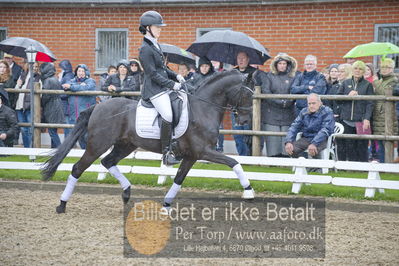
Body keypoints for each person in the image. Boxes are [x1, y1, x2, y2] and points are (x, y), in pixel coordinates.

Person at [138, 10, 185, 165]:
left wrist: (175, 76)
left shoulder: (155, 45)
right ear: (147, 28)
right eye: (157, 27)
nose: (160, 29)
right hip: (153, 90)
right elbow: (152, 74)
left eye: (160, 27)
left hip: (162, 87)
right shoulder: (145, 49)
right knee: (168, 115)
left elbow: (162, 69)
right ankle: (166, 153)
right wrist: (172, 85)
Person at [261, 53, 297, 157]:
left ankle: (286, 163)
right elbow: (266, 91)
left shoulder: (293, 77)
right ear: (276, 65)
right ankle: (273, 163)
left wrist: (288, 101)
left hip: (288, 114)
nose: (282, 65)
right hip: (271, 115)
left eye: (284, 63)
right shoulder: (269, 76)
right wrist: (280, 101)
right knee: (273, 145)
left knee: (286, 144)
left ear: (288, 64)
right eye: (280, 63)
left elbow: (295, 91)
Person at [337, 60, 374, 162]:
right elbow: (337, 100)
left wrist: (367, 118)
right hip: (346, 120)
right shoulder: (345, 83)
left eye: (360, 69)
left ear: (363, 71)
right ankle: (350, 168)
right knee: (349, 145)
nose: (358, 71)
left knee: (362, 146)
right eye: (355, 68)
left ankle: (362, 168)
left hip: (361, 121)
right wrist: (347, 96)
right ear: (352, 70)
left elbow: (370, 104)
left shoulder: (367, 85)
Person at [284, 93, 334, 159]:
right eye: (309, 104)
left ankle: (316, 168)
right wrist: (288, 141)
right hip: (307, 138)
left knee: (313, 151)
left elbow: (326, 130)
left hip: (322, 139)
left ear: (320, 103)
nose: (311, 106)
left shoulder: (327, 112)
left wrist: (314, 143)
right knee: (291, 149)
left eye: (313, 103)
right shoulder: (304, 112)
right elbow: (294, 127)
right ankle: (303, 166)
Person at [231, 51, 259, 156]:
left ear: (248, 59)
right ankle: (242, 157)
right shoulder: (233, 72)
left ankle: (249, 157)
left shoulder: (254, 72)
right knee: (237, 135)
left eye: (243, 58)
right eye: (239, 58)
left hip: (249, 110)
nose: (241, 60)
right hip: (236, 109)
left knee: (248, 134)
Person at [62, 64, 96, 149]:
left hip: (85, 113)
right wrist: (71, 87)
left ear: (86, 72)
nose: (80, 73)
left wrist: (72, 87)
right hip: (74, 114)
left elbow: (87, 88)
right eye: (79, 71)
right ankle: (82, 153)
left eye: (82, 71)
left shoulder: (90, 81)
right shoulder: (72, 81)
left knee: (86, 135)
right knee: (78, 135)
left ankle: (88, 151)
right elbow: (66, 86)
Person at [371, 58, 398, 163]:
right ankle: (383, 164)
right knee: (381, 141)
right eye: (383, 67)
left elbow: (384, 92)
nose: (384, 69)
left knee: (387, 141)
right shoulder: (382, 79)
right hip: (379, 113)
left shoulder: (393, 80)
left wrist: (375, 82)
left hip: (387, 114)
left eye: (387, 67)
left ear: (392, 69)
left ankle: (387, 164)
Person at [14, 62, 40, 148]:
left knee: (30, 129)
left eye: (36, 66)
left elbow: (40, 95)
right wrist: (18, 84)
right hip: (19, 106)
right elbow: (16, 89)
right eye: (33, 66)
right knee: (23, 129)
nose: (35, 68)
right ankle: (26, 148)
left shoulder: (38, 78)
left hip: (30, 107)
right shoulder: (22, 75)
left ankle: (31, 148)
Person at [40, 62, 65, 148]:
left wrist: (41, 103)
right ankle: (54, 148)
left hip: (51, 106)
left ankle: (59, 148)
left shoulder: (48, 80)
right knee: (53, 129)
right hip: (57, 105)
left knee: (51, 130)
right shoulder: (54, 79)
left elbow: (46, 96)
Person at [58, 60, 74, 138]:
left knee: (67, 125)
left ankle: (68, 142)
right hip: (66, 104)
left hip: (67, 104)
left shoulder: (68, 76)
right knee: (67, 125)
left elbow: (66, 91)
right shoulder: (67, 75)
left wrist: (58, 95)